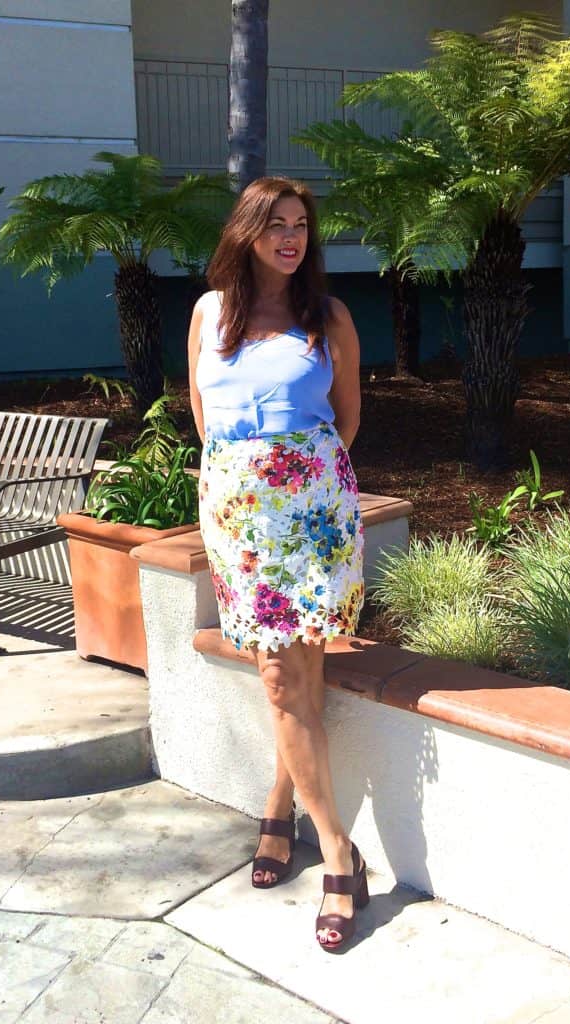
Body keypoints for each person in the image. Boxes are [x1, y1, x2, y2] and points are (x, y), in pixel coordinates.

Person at [186, 176, 368, 952]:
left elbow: (349, 416)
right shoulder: (207, 312)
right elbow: (203, 418)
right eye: (276, 226)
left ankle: (328, 849)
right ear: (246, 232)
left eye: (300, 226)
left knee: (294, 674)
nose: (290, 239)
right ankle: (309, 825)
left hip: (309, 513)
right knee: (283, 675)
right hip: (237, 518)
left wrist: (299, 484)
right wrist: (240, 489)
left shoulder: (326, 316)